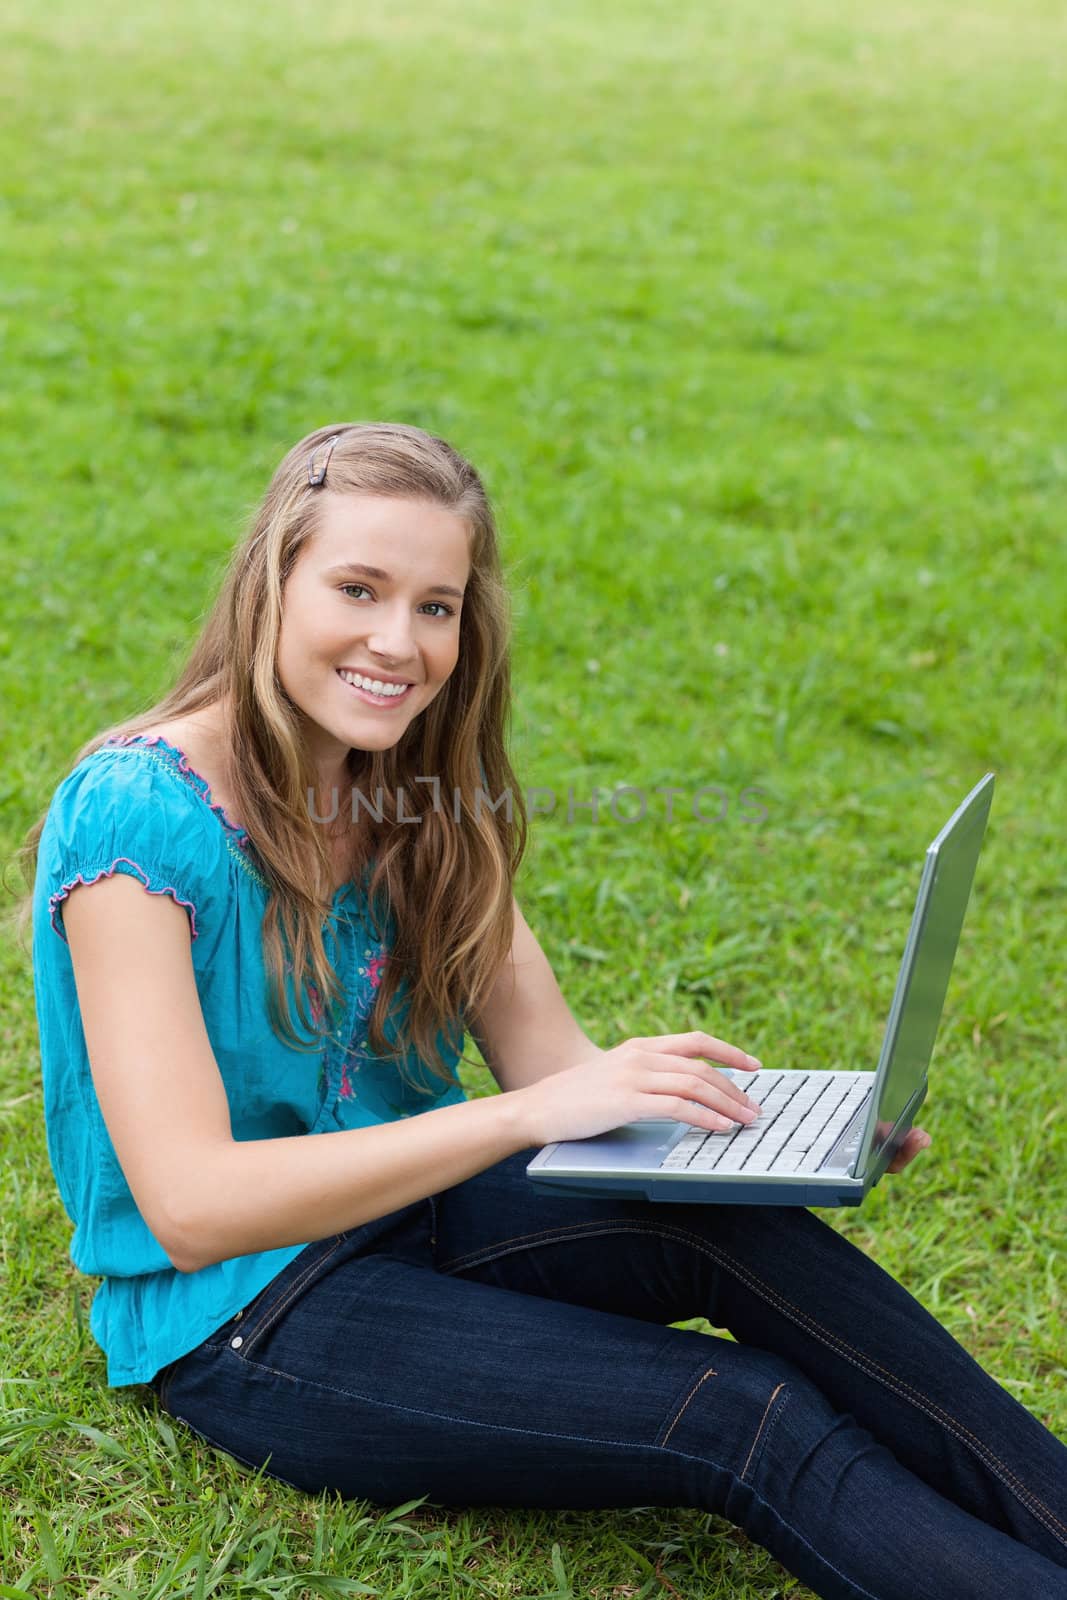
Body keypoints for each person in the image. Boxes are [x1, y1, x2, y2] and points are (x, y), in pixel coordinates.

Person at [14, 422, 1067, 1600]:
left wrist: (770, 1136)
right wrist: (528, 1116)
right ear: (270, 580)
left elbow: (553, 1070)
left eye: (435, 606)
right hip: (247, 1313)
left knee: (730, 1232)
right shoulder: (134, 818)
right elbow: (195, 1205)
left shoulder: (419, 791)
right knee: (738, 1413)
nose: (396, 643)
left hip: (412, 1216)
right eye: (356, 589)